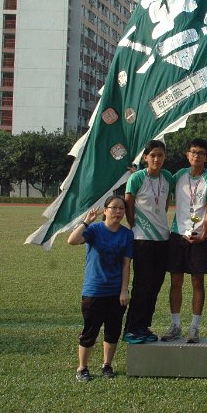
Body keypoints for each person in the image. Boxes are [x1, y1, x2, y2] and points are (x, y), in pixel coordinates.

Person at [68, 195, 134, 381]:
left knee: (113, 331)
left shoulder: (127, 234)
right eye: (114, 208)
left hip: (115, 291)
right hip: (94, 290)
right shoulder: (94, 229)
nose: (118, 212)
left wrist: (124, 290)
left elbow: (126, 264)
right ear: (105, 210)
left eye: (121, 208)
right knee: (90, 330)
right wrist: (86, 222)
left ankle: (107, 365)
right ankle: (82, 368)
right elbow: (72, 240)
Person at [161, 138, 207, 343]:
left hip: (198, 237)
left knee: (197, 282)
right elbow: (160, 182)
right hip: (178, 235)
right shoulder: (179, 175)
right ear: (187, 155)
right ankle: (175, 325)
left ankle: (194, 327)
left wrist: (204, 232)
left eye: (201, 153)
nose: (196, 156)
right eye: (193, 152)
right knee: (175, 281)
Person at [122, 140, 176, 345]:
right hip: (142, 239)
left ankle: (144, 326)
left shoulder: (167, 177)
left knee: (155, 285)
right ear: (145, 157)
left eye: (160, 155)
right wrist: (136, 226)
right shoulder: (136, 178)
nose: (156, 159)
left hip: (162, 239)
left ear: (164, 157)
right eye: (152, 155)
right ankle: (131, 328)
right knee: (142, 285)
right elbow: (129, 205)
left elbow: (165, 204)